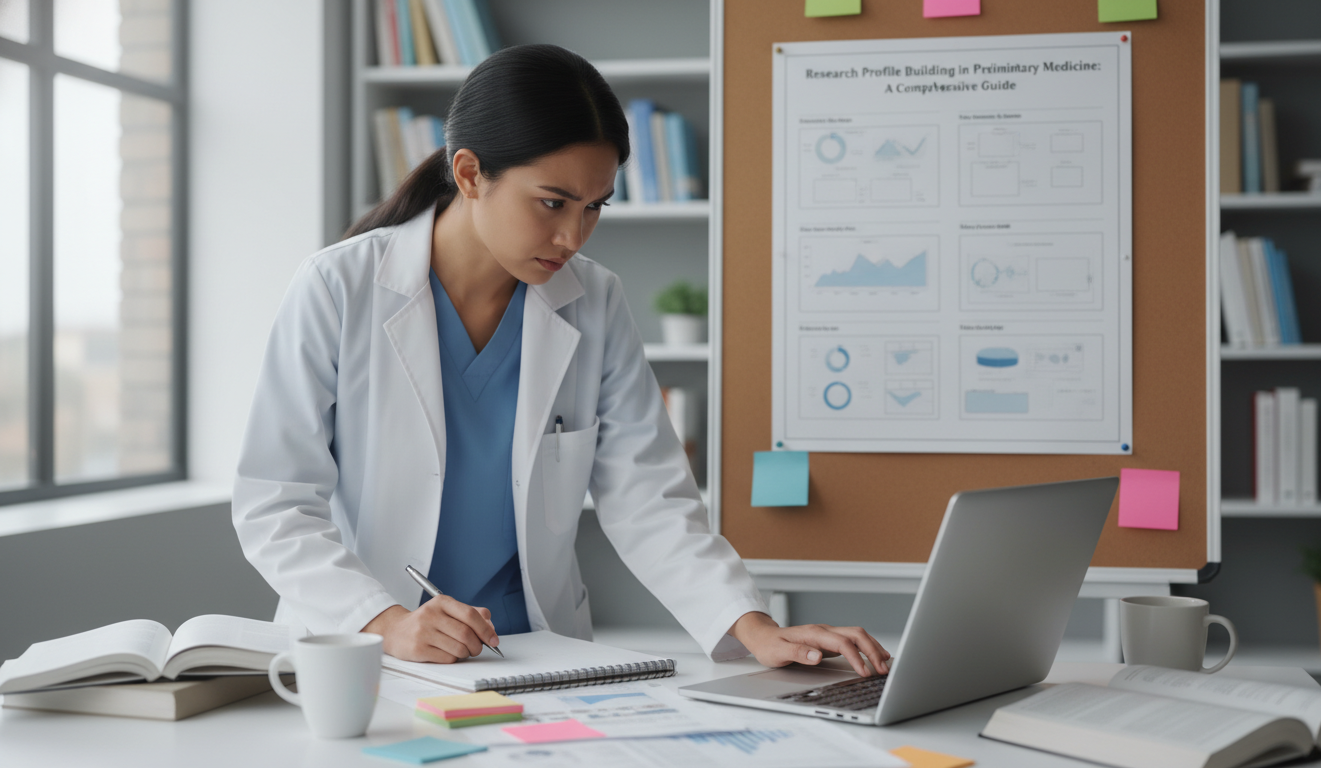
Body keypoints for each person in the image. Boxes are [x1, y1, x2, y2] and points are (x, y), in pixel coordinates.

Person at [232, 44, 888, 676]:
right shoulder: (338, 287)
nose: (572, 236)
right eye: (552, 203)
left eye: (594, 207)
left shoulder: (594, 300)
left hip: (536, 653)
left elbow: (649, 495)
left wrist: (752, 626)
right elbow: (275, 500)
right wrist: (383, 619)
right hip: (367, 648)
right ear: (469, 174)